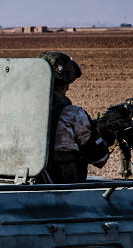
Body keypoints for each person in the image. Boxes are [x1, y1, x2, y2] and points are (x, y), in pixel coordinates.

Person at [39, 51, 110, 184]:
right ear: (64, 85)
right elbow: (100, 160)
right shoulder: (73, 115)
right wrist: (108, 139)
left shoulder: (19, 109)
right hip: (60, 188)